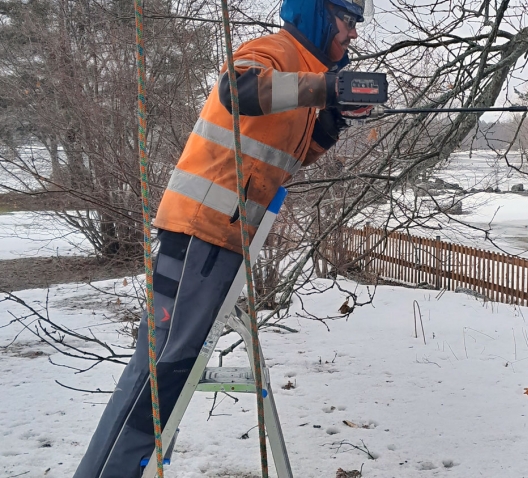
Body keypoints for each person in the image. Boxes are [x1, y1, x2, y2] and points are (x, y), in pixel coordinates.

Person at [75, 0, 371, 475]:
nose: (352, 34)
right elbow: (238, 89)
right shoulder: (274, 51)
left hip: (220, 239)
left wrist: (333, 114)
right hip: (200, 234)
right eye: (347, 20)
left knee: (168, 363)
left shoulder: (304, 73)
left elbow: (289, 153)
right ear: (318, 12)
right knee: (165, 365)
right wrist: (326, 87)